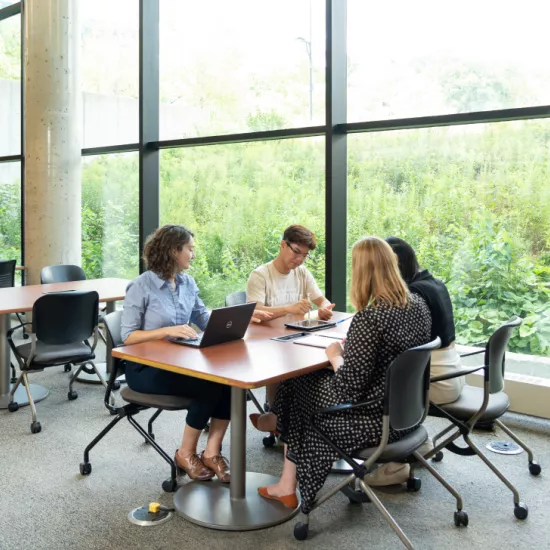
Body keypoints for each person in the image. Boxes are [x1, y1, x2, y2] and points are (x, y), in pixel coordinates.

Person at [251, 236, 432, 513]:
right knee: (300, 385)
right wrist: (357, 350)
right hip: (407, 415)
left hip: (370, 420)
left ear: (363, 272)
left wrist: (336, 355)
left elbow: (348, 387)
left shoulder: (370, 318)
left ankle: (287, 482)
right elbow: (391, 358)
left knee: (297, 388)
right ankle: (280, 452)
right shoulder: (418, 305)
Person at [121, 224, 271, 483]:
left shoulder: (187, 282)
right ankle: (185, 452)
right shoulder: (141, 286)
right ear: (173, 250)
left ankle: (212, 452)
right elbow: (128, 337)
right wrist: (167, 330)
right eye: (189, 249)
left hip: (179, 361)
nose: (193, 254)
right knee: (209, 385)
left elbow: (202, 317)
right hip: (145, 369)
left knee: (229, 383)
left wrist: (237, 318)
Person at [247, 224, 335, 409]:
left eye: (304, 255)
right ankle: (275, 414)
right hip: (267, 342)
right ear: (282, 245)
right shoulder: (261, 275)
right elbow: (255, 312)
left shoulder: (301, 272)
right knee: (281, 362)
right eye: (296, 252)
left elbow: (322, 300)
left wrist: (326, 308)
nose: (299, 259)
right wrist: (289, 309)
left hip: (295, 337)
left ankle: (296, 414)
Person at [385, 237, 465, 405]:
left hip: (435, 382)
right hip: (454, 374)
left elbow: (401, 347)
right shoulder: (435, 284)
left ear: (394, 263)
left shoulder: (414, 294)